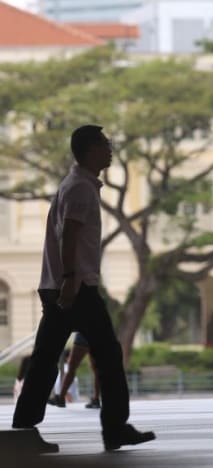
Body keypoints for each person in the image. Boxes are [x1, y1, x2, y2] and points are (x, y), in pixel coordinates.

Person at [12, 125, 155, 453]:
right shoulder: (80, 188)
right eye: (105, 145)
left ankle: (23, 428)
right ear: (91, 150)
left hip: (65, 286)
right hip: (75, 287)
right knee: (107, 354)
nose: (110, 150)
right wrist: (70, 281)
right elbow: (70, 237)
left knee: (46, 358)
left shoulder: (77, 184)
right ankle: (115, 428)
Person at [47, 333, 101, 409]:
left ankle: (61, 398)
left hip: (83, 334)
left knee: (72, 367)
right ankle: (96, 399)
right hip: (96, 333)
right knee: (96, 369)